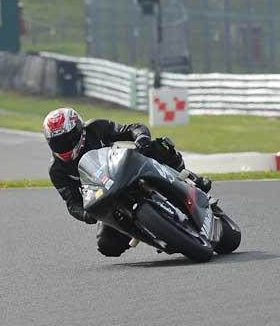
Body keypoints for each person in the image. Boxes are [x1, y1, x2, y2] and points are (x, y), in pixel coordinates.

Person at [43, 107, 212, 258]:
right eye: (57, 143)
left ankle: (190, 177)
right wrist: (87, 215)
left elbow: (131, 128)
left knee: (156, 146)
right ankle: (154, 234)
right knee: (107, 246)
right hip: (106, 196)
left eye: (67, 140)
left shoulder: (96, 128)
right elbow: (72, 203)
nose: (63, 146)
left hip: (123, 168)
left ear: (79, 131)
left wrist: (141, 137)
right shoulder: (57, 170)